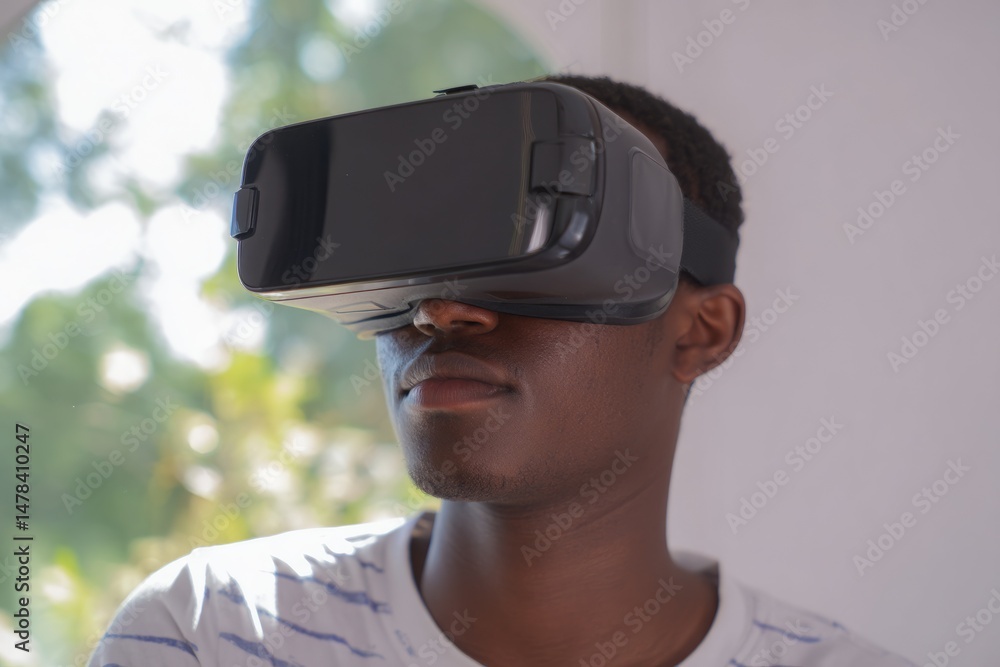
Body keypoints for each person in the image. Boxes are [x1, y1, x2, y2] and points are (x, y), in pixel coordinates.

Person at [89, 74, 916, 667]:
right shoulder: (210, 631)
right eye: (415, 260)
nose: (442, 310)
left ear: (701, 331)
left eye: (551, 248)